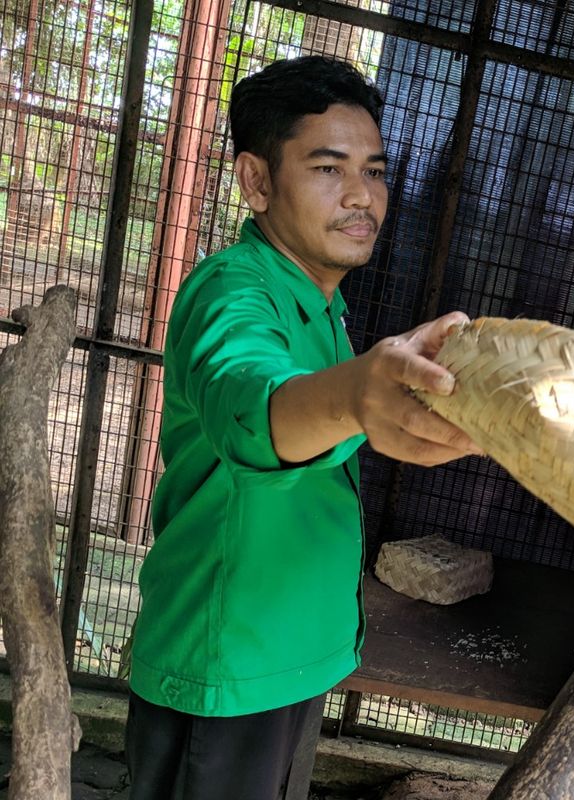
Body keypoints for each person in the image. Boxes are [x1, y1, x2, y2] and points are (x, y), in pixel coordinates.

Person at [124, 55, 481, 799]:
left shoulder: (321, 304)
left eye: (375, 171)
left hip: (292, 660)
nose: (362, 196)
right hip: (226, 671)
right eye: (329, 168)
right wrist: (355, 396)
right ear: (256, 181)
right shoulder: (233, 294)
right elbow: (248, 401)